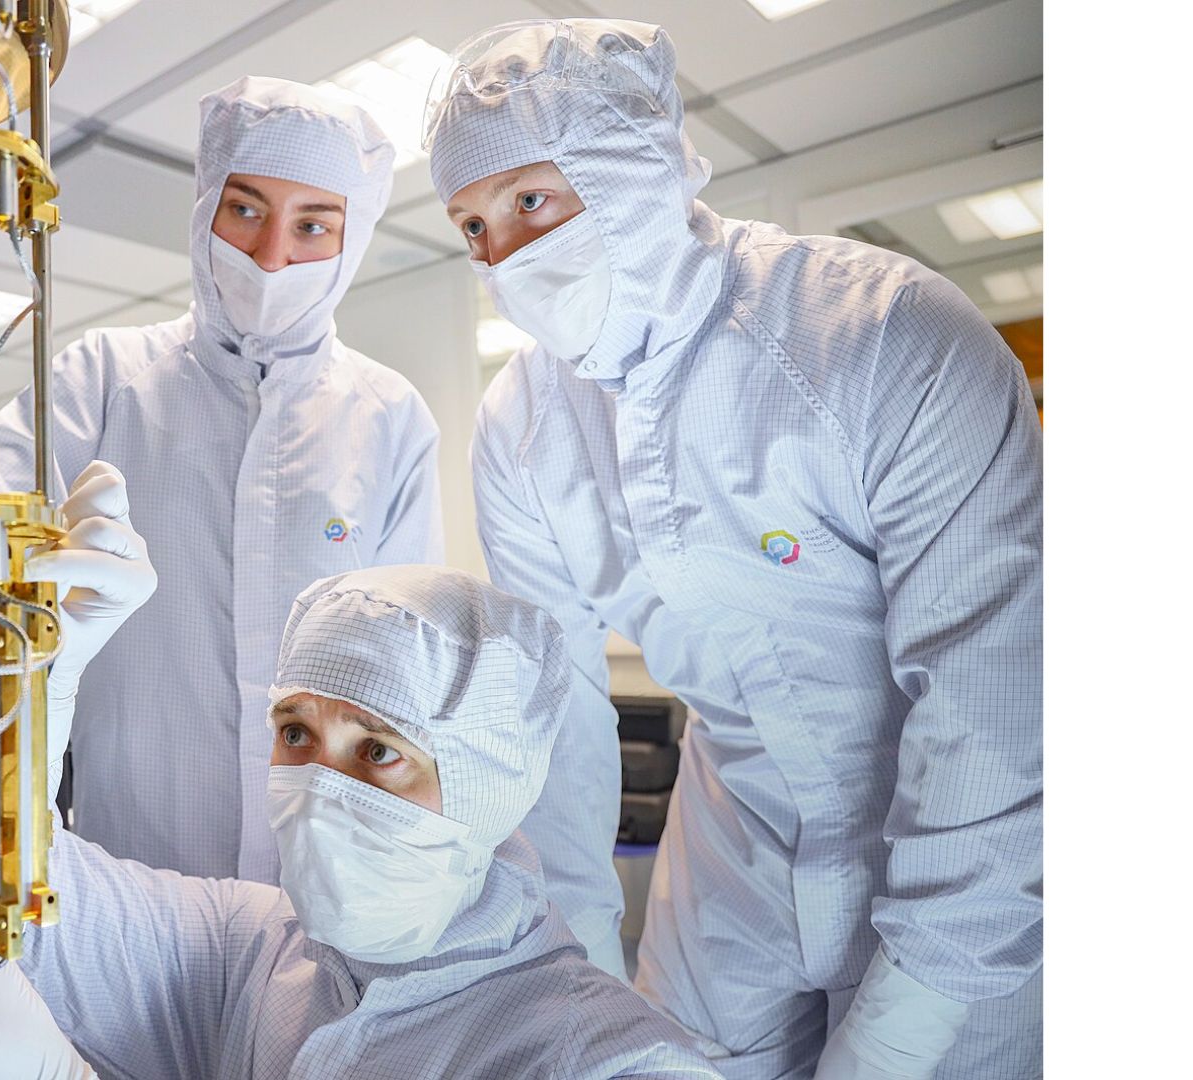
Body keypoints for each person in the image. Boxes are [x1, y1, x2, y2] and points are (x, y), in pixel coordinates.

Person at [419, 18, 1043, 1080]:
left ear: (632, 168)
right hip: (726, 864)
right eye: (473, 227)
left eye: (530, 201)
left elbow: (994, 705)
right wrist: (576, 981)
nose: (506, 259)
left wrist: (899, 1032)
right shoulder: (521, 423)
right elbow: (559, 719)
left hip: (952, 851)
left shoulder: (884, 335)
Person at [0, 469, 717, 1078]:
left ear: (486, 787)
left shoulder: (613, 1062)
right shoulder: (258, 948)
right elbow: (33, 896)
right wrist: (28, 703)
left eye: (378, 750)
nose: (319, 785)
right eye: (295, 731)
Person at [0, 76, 445, 885]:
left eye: (313, 224)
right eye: (245, 209)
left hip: (324, 878)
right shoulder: (104, 377)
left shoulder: (389, 416)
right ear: (205, 203)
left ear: (351, 242)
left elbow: (412, 671)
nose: (272, 254)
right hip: (131, 870)